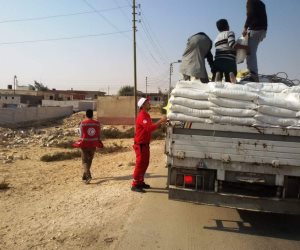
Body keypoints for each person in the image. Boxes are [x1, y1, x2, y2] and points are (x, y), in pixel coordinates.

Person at [131, 97, 167, 192]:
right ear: (143, 105)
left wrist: (161, 123)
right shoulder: (142, 115)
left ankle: (140, 182)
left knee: (145, 164)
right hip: (140, 145)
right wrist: (160, 121)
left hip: (145, 144)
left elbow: (151, 127)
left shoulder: (146, 115)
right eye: (147, 102)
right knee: (140, 164)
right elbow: (149, 128)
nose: (149, 103)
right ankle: (135, 184)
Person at [73, 109, 102, 184]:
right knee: (89, 160)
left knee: (84, 161)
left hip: (85, 144)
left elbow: (81, 135)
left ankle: (88, 176)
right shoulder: (97, 123)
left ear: (86, 115)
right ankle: (85, 175)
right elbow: (99, 134)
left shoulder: (82, 123)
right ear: (92, 115)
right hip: (93, 144)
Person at [242, 0, 268, 82]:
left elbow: (250, 14)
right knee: (251, 51)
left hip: (255, 30)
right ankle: (252, 73)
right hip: (262, 30)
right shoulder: (261, 3)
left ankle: (253, 75)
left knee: (250, 52)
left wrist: (245, 28)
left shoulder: (251, 1)